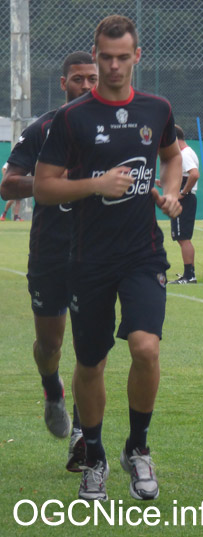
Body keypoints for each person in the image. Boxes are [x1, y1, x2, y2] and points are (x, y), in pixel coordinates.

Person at [34, 15, 182, 501]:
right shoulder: (72, 118)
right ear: (95, 55)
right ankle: (93, 456)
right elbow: (44, 187)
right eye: (106, 57)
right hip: (88, 259)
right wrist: (95, 184)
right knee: (91, 362)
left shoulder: (157, 108)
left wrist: (170, 191)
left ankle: (137, 448)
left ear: (137, 56)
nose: (114, 66)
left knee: (146, 348)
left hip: (143, 255)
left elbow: (172, 155)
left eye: (123, 57)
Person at [1, 52, 98, 472]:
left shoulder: (115, 130)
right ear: (63, 83)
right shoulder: (43, 128)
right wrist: (55, 182)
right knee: (50, 345)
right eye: (78, 79)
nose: (86, 86)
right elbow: (8, 186)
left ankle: (82, 436)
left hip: (97, 253)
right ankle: (51, 388)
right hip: (50, 252)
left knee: (90, 349)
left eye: (92, 79)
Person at [168, 124, 200, 284]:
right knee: (182, 238)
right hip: (186, 199)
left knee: (184, 238)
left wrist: (183, 192)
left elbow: (194, 174)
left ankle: (189, 275)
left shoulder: (184, 154)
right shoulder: (188, 152)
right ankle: (188, 274)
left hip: (185, 201)